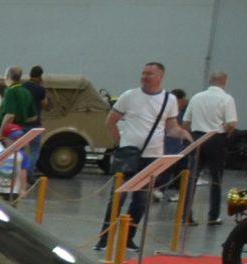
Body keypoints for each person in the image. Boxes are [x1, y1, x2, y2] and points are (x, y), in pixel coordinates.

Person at [99, 60, 186, 250]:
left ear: (160, 77)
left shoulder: (169, 99)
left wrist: (182, 133)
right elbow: (110, 121)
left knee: (141, 200)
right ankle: (104, 238)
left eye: (149, 74)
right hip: (128, 154)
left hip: (152, 156)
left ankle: (128, 238)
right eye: (143, 73)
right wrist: (121, 143)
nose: (144, 77)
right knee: (118, 196)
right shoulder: (129, 96)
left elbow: (171, 126)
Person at [183, 72, 238, 224]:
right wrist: (224, 134)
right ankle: (213, 216)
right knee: (216, 179)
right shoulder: (227, 99)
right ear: (225, 82)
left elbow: (186, 122)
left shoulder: (196, 97)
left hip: (197, 138)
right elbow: (232, 124)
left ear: (210, 81)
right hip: (216, 139)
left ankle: (186, 215)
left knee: (192, 178)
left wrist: (192, 136)